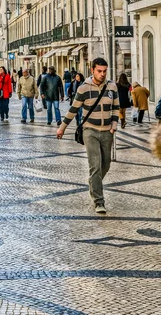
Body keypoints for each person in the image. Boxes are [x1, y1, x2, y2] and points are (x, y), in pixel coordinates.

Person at [57, 57, 119, 214]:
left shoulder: (112, 86)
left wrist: (114, 124)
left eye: (104, 71)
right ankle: (99, 201)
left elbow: (116, 107)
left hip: (107, 131)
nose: (102, 74)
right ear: (92, 70)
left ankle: (93, 181)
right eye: (99, 71)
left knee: (106, 164)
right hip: (89, 130)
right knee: (95, 165)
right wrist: (62, 128)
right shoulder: (84, 88)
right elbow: (73, 109)